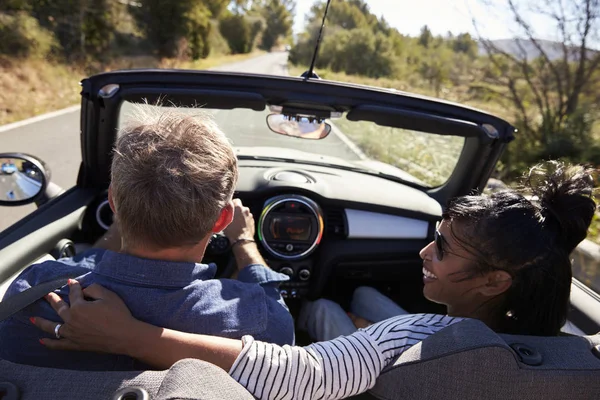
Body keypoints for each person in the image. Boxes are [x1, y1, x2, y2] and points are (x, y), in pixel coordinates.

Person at [32, 161, 596, 399]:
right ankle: (343, 311)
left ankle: (334, 314)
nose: (423, 250)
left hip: (367, 359)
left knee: (323, 311)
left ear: (496, 281)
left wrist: (127, 337)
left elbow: (302, 371)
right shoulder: (576, 357)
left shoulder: (414, 339)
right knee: (364, 297)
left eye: (443, 248)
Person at [0, 106, 294, 370]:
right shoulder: (260, 321)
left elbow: (85, 265)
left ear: (113, 202)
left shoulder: (35, 291)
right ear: (223, 219)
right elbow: (280, 325)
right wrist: (244, 242)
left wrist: (127, 216)